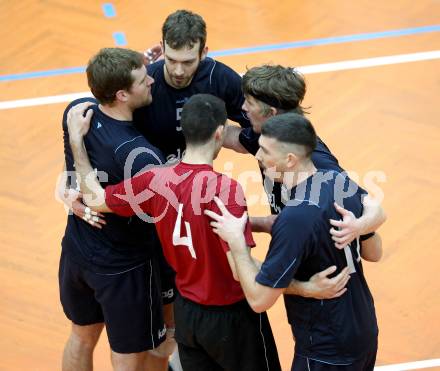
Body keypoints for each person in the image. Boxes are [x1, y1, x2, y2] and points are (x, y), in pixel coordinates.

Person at [66, 94, 282, 371]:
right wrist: (302, 285)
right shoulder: (224, 189)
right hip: (232, 317)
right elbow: (241, 270)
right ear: (219, 133)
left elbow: (95, 198)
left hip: (187, 315)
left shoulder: (155, 179)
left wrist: (77, 143)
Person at [205, 113, 382, 371]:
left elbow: (259, 299)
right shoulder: (338, 181)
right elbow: (374, 251)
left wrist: (236, 243)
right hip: (362, 329)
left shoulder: (295, 218)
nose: (258, 157)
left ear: (289, 159)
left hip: (325, 348)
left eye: (265, 151)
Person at [58, 47, 175, 371]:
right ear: (122, 94)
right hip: (125, 268)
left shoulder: (77, 113)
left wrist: (77, 144)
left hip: (78, 252)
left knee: (80, 338)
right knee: (128, 357)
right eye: (143, 78)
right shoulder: (140, 155)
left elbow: (78, 180)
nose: (151, 80)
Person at [224, 64, 386, 243]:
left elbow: (375, 211)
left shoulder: (316, 160)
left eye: (249, 102)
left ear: (271, 113)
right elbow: (229, 137)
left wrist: (359, 228)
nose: (243, 107)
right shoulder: (266, 137)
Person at [133, 9, 250, 162]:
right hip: (150, 176)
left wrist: (220, 134)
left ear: (203, 53)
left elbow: (258, 129)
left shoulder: (220, 78)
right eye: (172, 60)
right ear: (162, 48)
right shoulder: (146, 82)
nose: (178, 71)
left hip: (198, 177)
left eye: (188, 62)